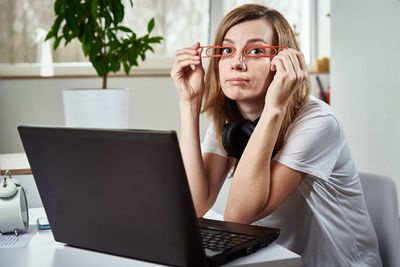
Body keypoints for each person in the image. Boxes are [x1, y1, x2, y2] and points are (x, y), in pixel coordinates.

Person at [170, 4, 381, 267]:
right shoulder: (228, 122)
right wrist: (189, 104)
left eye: (256, 50)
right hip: (274, 259)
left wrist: (274, 108)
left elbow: (238, 216)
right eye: (226, 50)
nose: (237, 63)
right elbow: (195, 205)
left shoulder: (318, 122)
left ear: (285, 62)